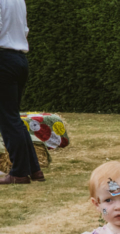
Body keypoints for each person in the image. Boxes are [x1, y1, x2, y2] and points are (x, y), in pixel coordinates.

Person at [0, 0, 41, 185]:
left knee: (7, 118)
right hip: (19, 58)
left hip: (3, 59)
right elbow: (24, 29)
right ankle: (34, 168)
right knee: (13, 116)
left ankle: (19, 172)